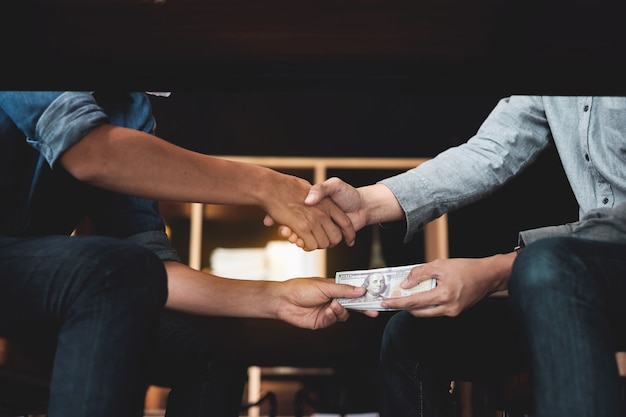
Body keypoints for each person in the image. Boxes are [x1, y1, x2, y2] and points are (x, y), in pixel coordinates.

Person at [0, 91, 371, 417]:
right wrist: (264, 185)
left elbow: (151, 268)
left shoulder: (130, 105)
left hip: (31, 293)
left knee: (215, 350)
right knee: (112, 268)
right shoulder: (32, 32)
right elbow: (90, 152)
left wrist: (276, 298)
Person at [276, 96, 626, 416]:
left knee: (544, 264)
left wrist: (497, 271)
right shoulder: (555, 65)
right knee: (412, 334)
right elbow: (490, 152)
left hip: (593, 270)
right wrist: (365, 205)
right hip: (577, 281)